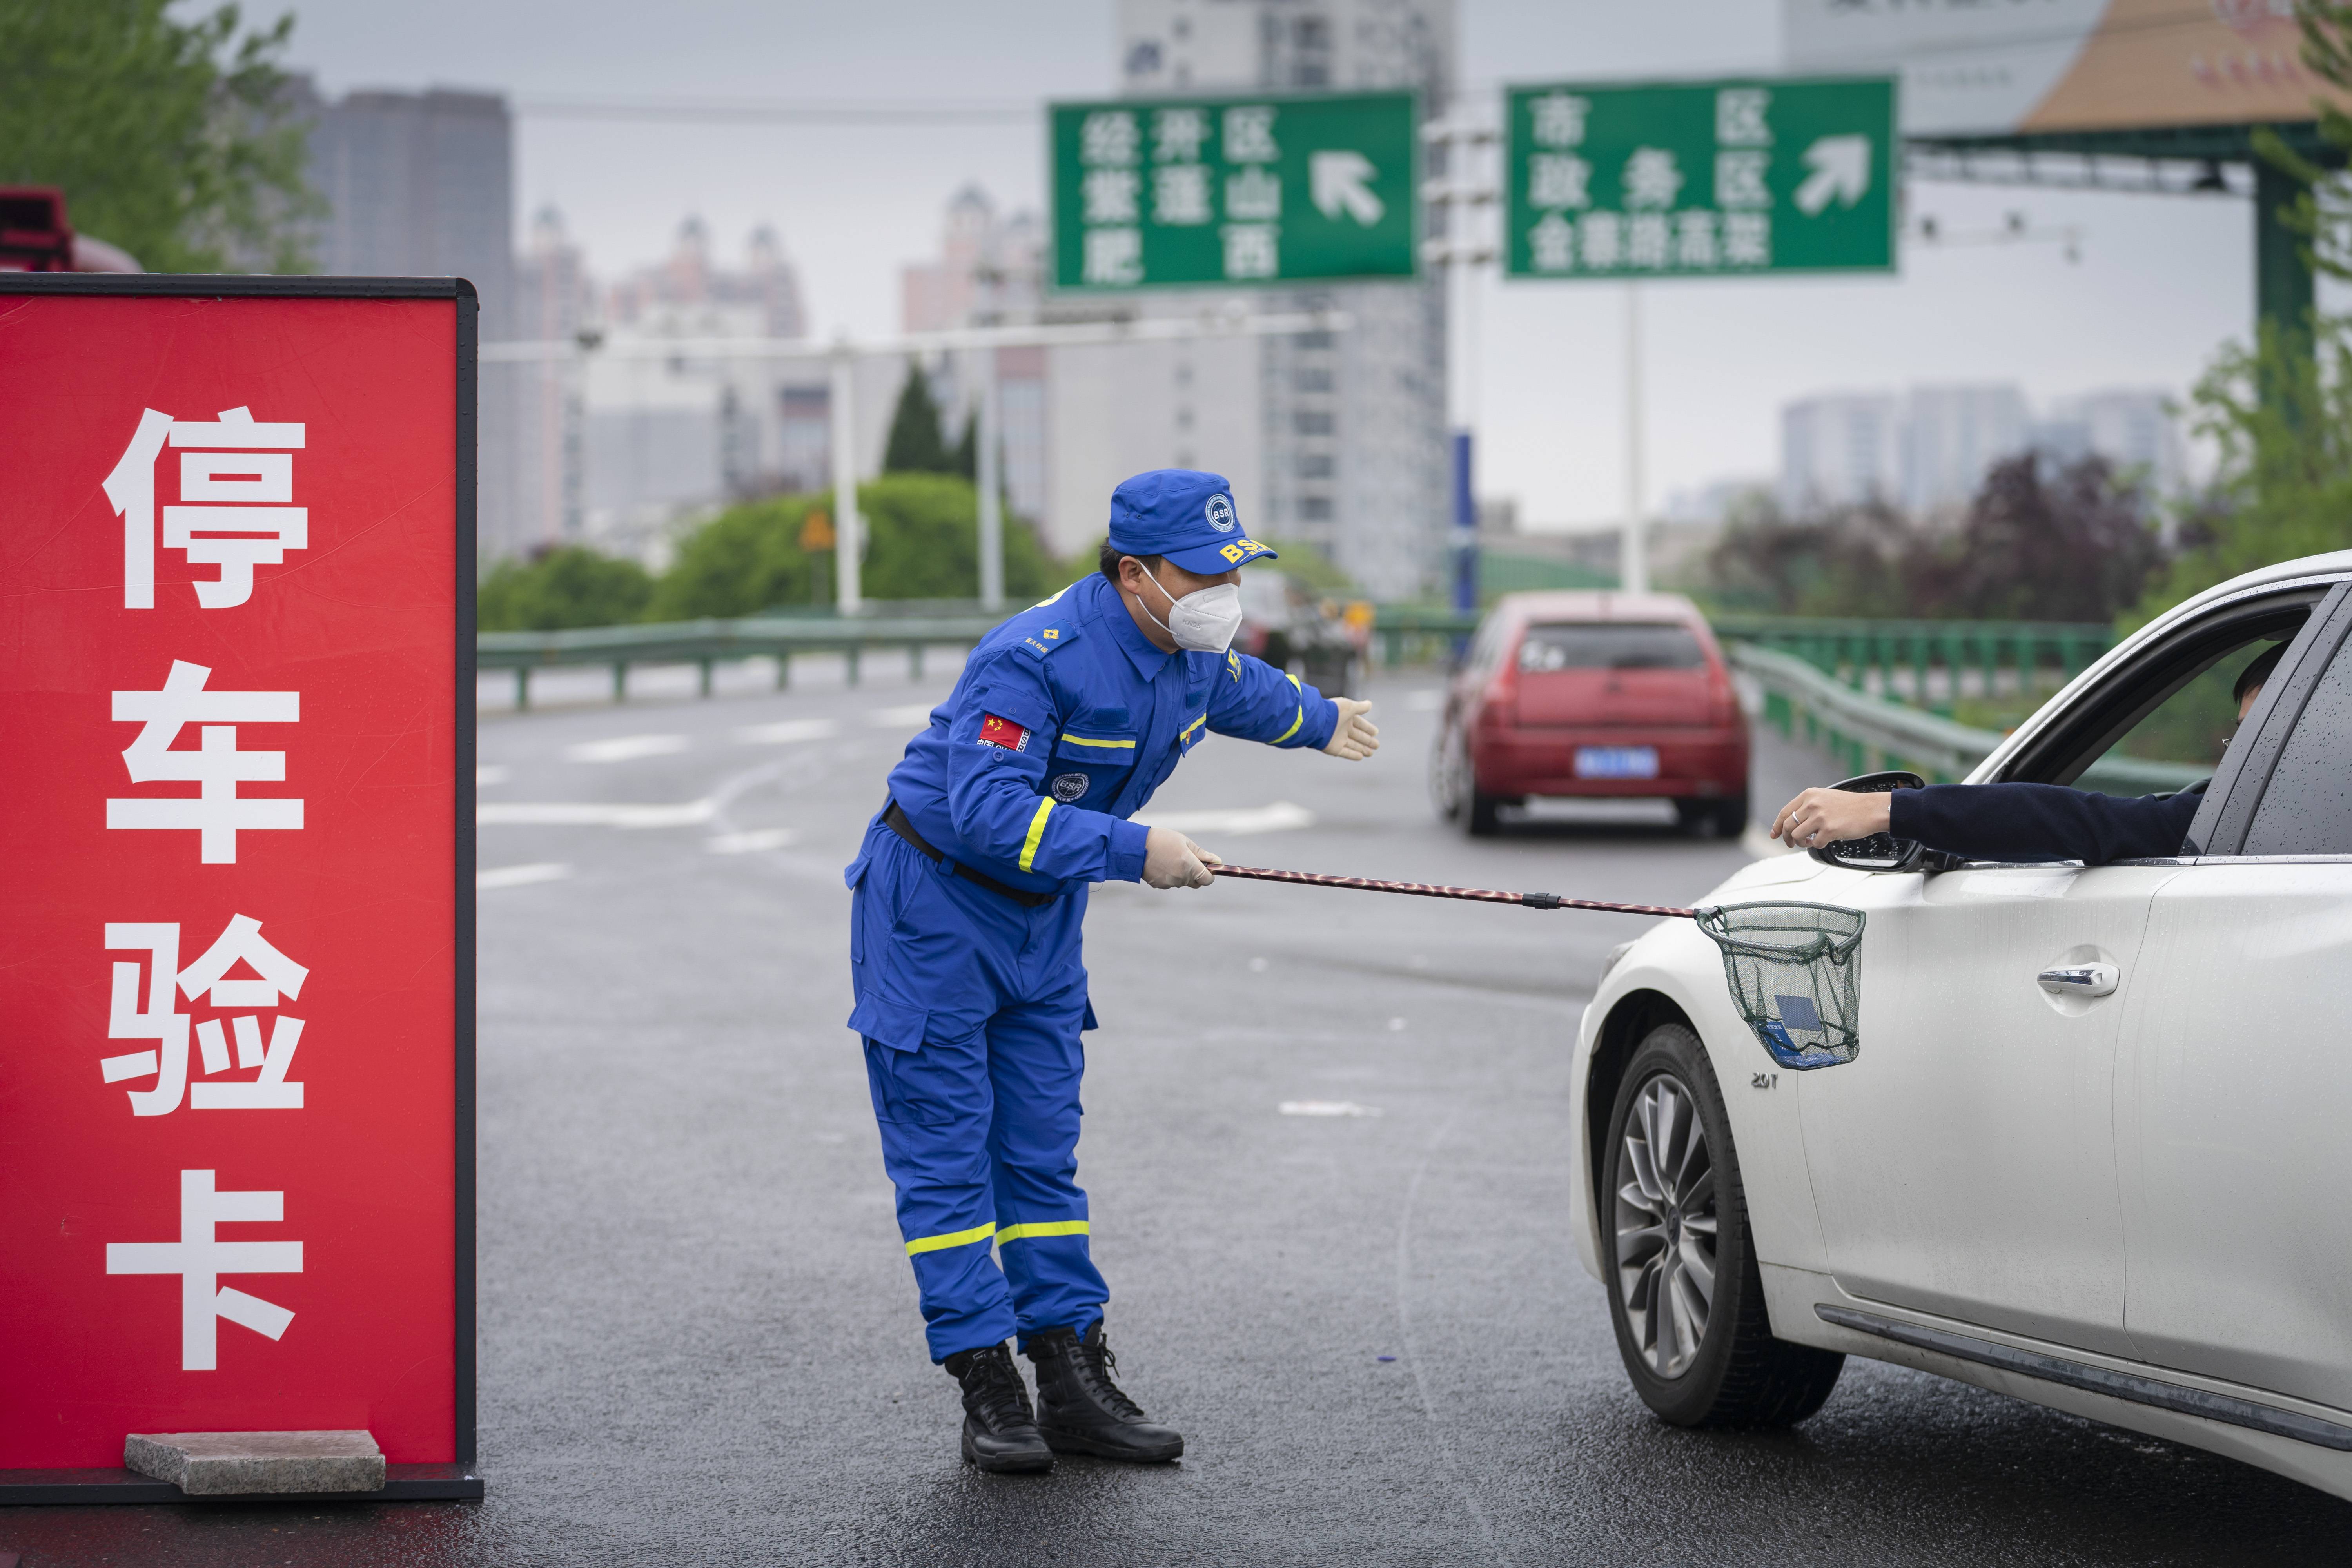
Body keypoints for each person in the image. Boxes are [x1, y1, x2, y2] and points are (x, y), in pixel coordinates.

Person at [845, 469, 1381, 1474]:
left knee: (1042, 1152)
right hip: (933, 905)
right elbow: (991, 811)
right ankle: (985, 1379)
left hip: (1042, 921)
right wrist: (1143, 850)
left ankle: (1069, 1369)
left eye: (1237, 566)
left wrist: (1318, 717)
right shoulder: (1032, 659)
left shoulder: (1185, 645)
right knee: (951, 1155)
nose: (1227, 588)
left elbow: (1238, 693)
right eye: (1206, 572)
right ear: (1135, 574)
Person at [1771, 643, 2284, 860]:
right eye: (2236, 739)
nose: (2238, 758)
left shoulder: (2259, 823)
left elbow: (2081, 822)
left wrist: (1881, 808)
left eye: (2255, 738)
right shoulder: (2284, 822)